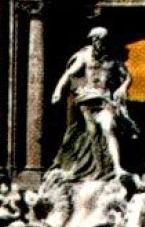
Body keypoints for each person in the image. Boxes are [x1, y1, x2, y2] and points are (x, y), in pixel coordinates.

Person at [50, 27, 136, 181]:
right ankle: (99, 167)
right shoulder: (84, 56)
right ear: (93, 40)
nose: (99, 43)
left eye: (103, 40)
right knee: (93, 132)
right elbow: (69, 73)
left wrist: (123, 87)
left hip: (105, 98)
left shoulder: (113, 59)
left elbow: (128, 76)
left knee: (108, 126)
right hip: (87, 99)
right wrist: (58, 90)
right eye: (97, 40)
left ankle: (118, 167)